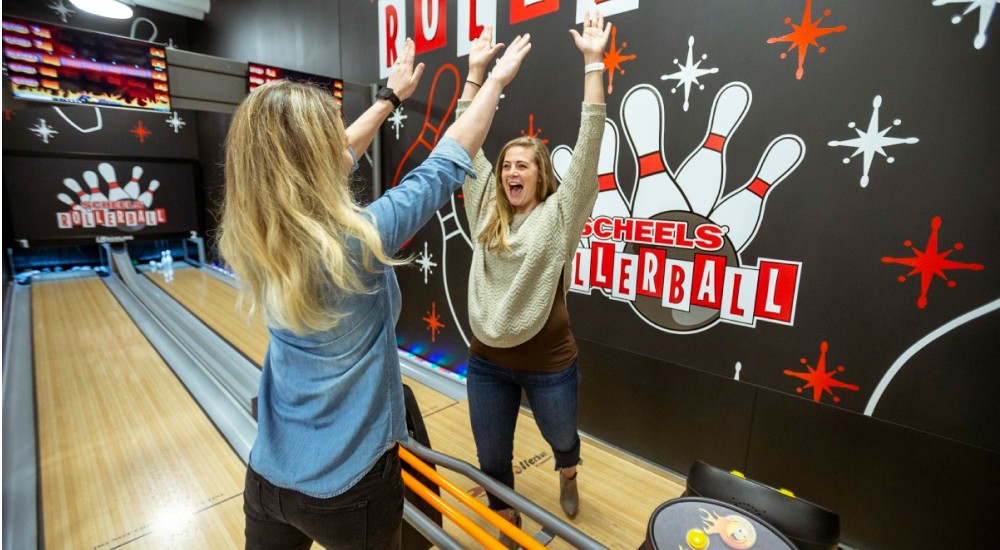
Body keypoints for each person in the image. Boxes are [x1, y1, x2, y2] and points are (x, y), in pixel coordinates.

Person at [218, 34, 531, 550]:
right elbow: (450, 160)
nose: (340, 145)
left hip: (268, 477)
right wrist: (492, 80)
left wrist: (390, 99)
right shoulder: (358, 242)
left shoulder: (254, 232)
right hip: (352, 491)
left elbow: (337, 156)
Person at [457, 12, 611, 546]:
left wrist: (594, 63)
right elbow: (463, 140)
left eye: (523, 165)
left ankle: (568, 471)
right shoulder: (482, 204)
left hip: (548, 361)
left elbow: (589, 145)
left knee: (562, 436)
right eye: (506, 166)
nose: (512, 173)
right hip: (486, 360)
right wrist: (477, 75)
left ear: (541, 174)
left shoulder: (561, 213)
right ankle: (506, 517)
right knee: (492, 457)